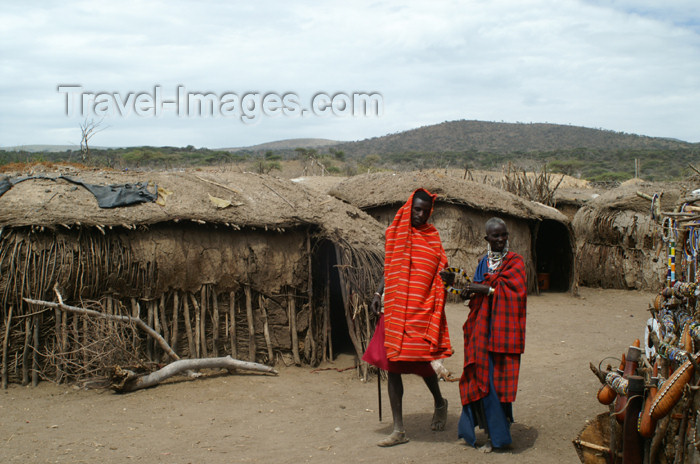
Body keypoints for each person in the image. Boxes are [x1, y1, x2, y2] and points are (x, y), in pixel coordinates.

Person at [362, 188, 452, 447]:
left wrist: (446, 278)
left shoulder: (432, 237)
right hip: (395, 308)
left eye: (426, 211)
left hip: (420, 309)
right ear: (409, 208)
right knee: (393, 368)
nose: (421, 215)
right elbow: (390, 268)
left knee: (423, 365)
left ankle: (439, 402)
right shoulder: (395, 233)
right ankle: (399, 429)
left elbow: (440, 268)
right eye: (417, 210)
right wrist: (379, 293)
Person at [453, 217, 527, 452]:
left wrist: (486, 289)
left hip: (504, 333)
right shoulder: (483, 263)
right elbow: (474, 294)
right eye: (495, 236)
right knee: (481, 379)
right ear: (487, 238)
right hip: (482, 331)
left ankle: (499, 438)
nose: (501, 239)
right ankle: (488, 431)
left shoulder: (516, 262)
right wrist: (465, 291)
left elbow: (517, 293)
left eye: (504, 235)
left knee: (497, 384)